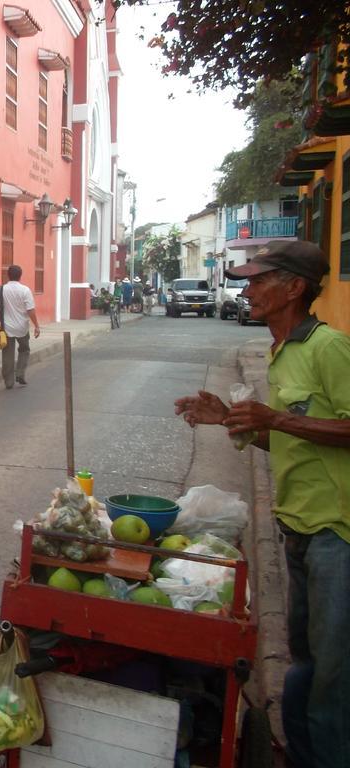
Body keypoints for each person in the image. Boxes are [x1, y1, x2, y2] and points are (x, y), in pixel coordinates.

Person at [173, 240, 350, 768]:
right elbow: (291, 438)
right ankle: (296, 753)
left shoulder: (329, 348)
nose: (245, 291)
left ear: (293, 287)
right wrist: (232, 417)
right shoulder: (281, 349)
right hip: (297, 527)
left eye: (257, 281)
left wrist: (274, 418)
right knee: (307, 663)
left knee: (333, 679)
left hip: (337, 533)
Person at [0, 264, 41, 389]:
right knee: (24, 350)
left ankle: (9, 381)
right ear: (20, 275)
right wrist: (37, 326)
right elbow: (31, 310)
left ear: (8, 275)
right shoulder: (25, 290)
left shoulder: (1, 289)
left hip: (7, 328)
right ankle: (20, 373)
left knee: (7, 355)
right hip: (22, 327)